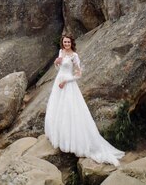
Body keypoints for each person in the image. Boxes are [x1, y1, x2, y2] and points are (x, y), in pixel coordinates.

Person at [44, 35, 124, 166]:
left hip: (68, 84)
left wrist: (66, 81)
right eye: (65, 42)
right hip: (59, 82)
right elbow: (59, 68)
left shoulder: (74, 56)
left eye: (68, 42)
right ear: (62, 43)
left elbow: (79, 74)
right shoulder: (61, 52)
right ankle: (61, 136)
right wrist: (56, 63)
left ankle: (74, 141)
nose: (66, 43)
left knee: (71, 111)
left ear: (71, 43)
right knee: (57, 109)